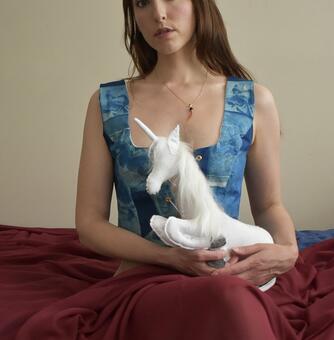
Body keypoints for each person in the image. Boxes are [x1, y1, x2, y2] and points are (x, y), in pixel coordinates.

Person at [75, 1, 299, 336]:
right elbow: (89, 225)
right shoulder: (107, 104)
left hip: (226, 276)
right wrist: (169, 258)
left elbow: (269, 206)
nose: (158, 13)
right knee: (221, 303)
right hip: (143, 279)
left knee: (230, 300)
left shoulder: (253, 101)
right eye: (142, 3)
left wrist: (288, 251)